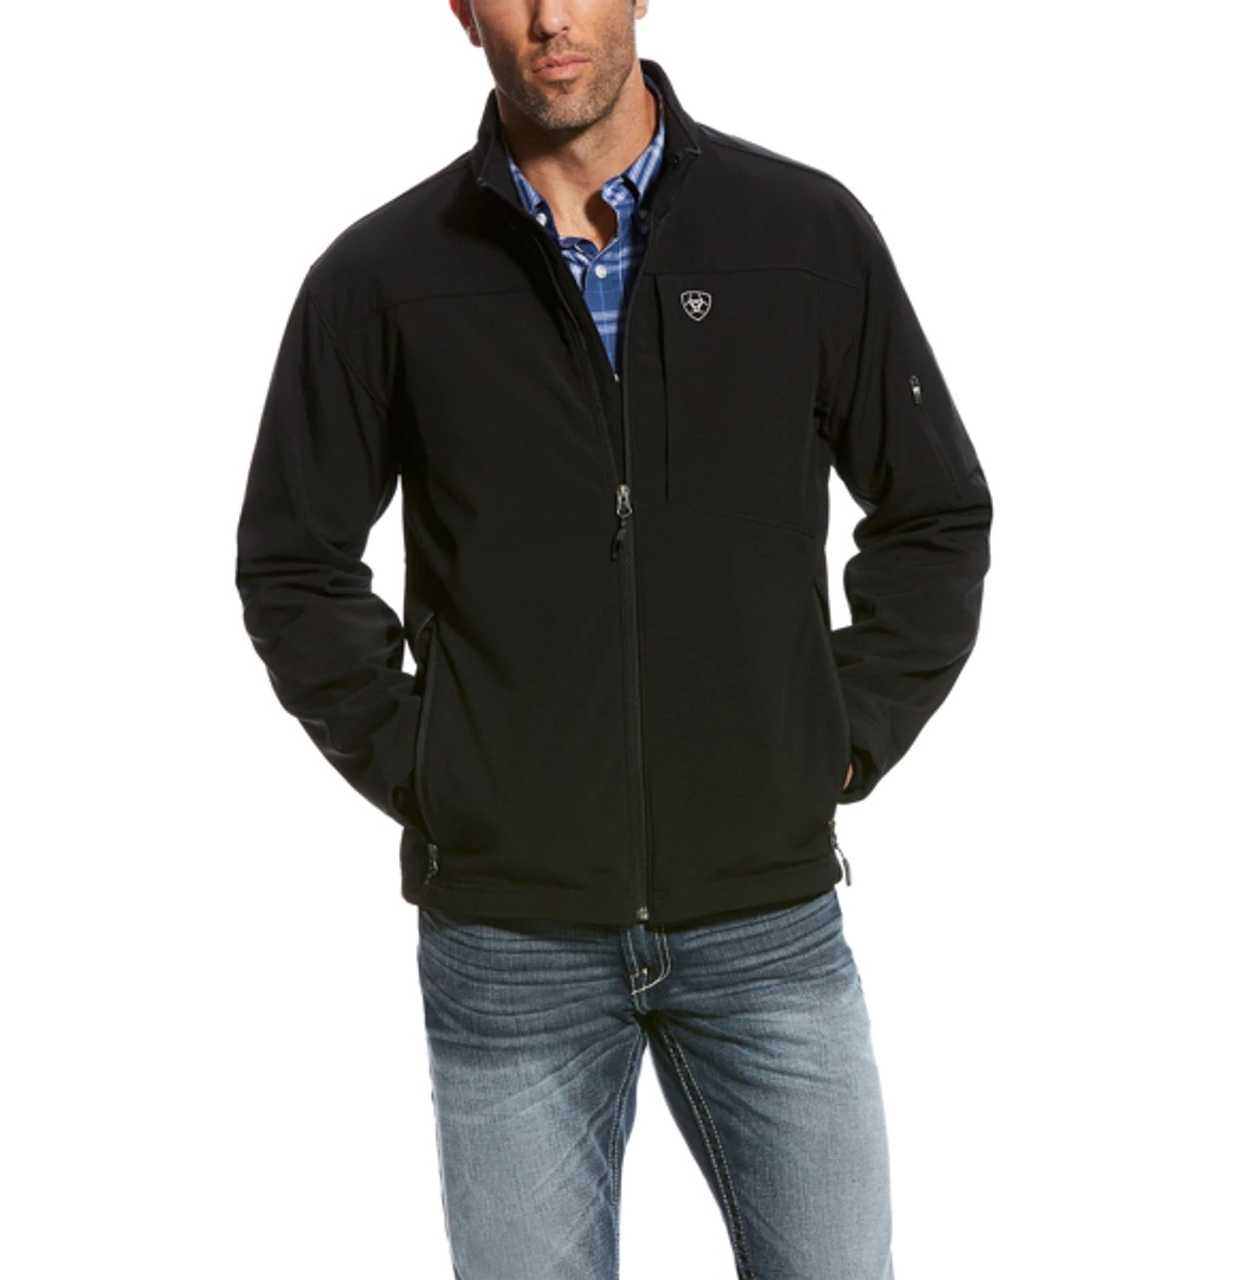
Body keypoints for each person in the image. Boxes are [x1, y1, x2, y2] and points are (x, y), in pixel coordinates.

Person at [235, 1, 992, 1275]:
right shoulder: (382, 277)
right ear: (461, 11)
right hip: (509, 943)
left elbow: (933, 514)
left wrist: (836, 734)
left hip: (763, 920)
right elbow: (293, 564)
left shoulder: (801, 235)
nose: (549, 18)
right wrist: (440, 769)